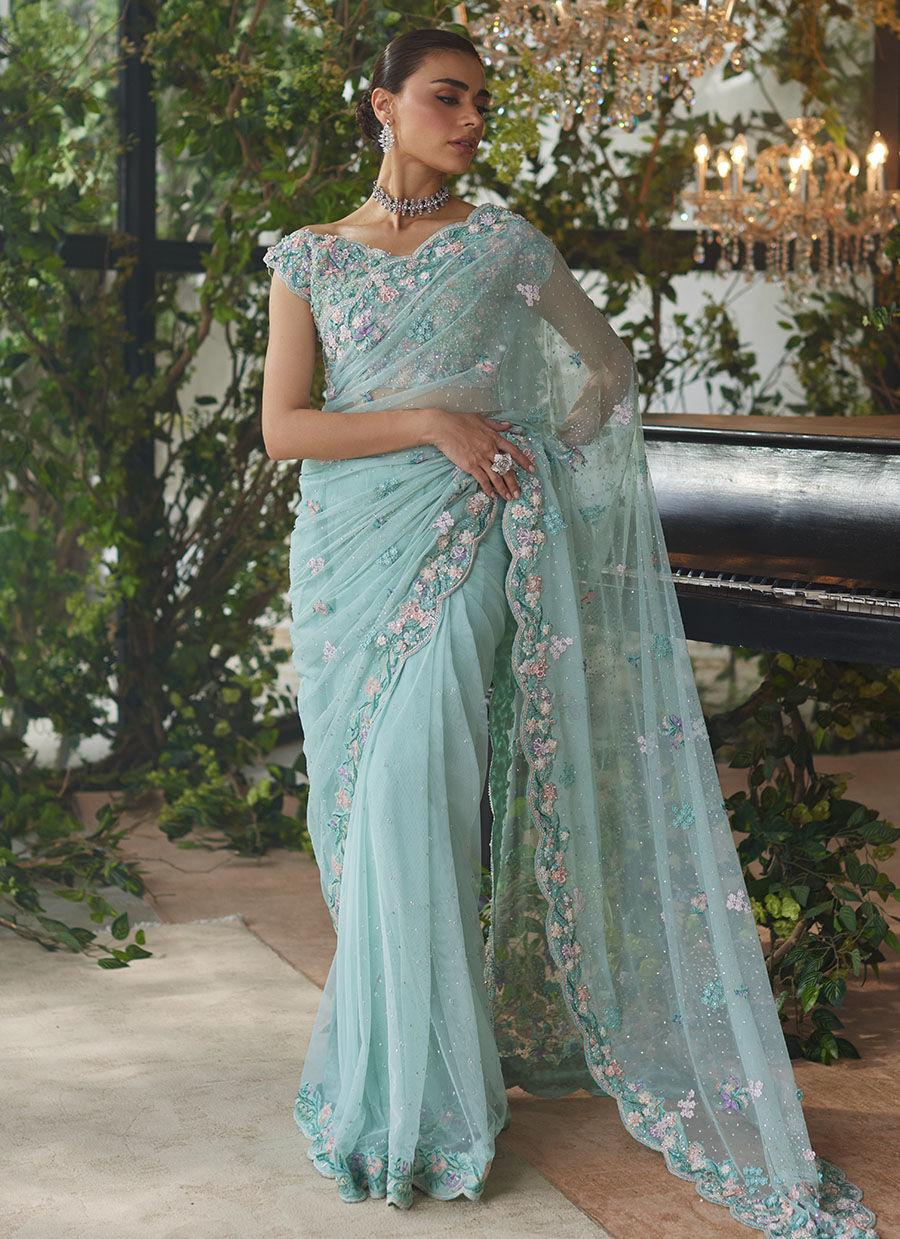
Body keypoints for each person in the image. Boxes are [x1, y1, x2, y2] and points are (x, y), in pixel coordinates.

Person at [260, 26, 879, 1235]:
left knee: (415, 801)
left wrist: (540, 466)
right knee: (364, 816)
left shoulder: (506, 247)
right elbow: (286, 428)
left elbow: (606, 369)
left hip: (464, 543)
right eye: (447, 97)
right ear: (383, 105)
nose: (471, 120)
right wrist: (433, 421)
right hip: (345, 560)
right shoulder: (310, 257)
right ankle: (399, 1074)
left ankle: (428, 1110)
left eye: (481, 103)